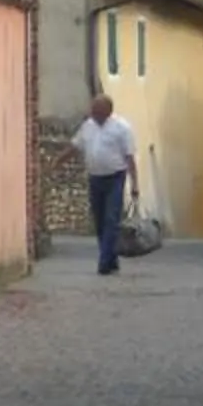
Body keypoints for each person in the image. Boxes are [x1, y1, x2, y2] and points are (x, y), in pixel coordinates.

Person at [72, 93, 140, 275]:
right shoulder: (88, 127)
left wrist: (134, 184)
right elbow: (75, 146)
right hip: (95, 178)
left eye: (98, 111)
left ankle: (103, 261)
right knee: (100, 220)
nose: (94, 114)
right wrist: (57, 162)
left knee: (111, 219)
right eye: (93, 110)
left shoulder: (121, 128)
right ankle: (111, 258)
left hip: (115, 178)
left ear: (108, 111)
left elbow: (130, 157)